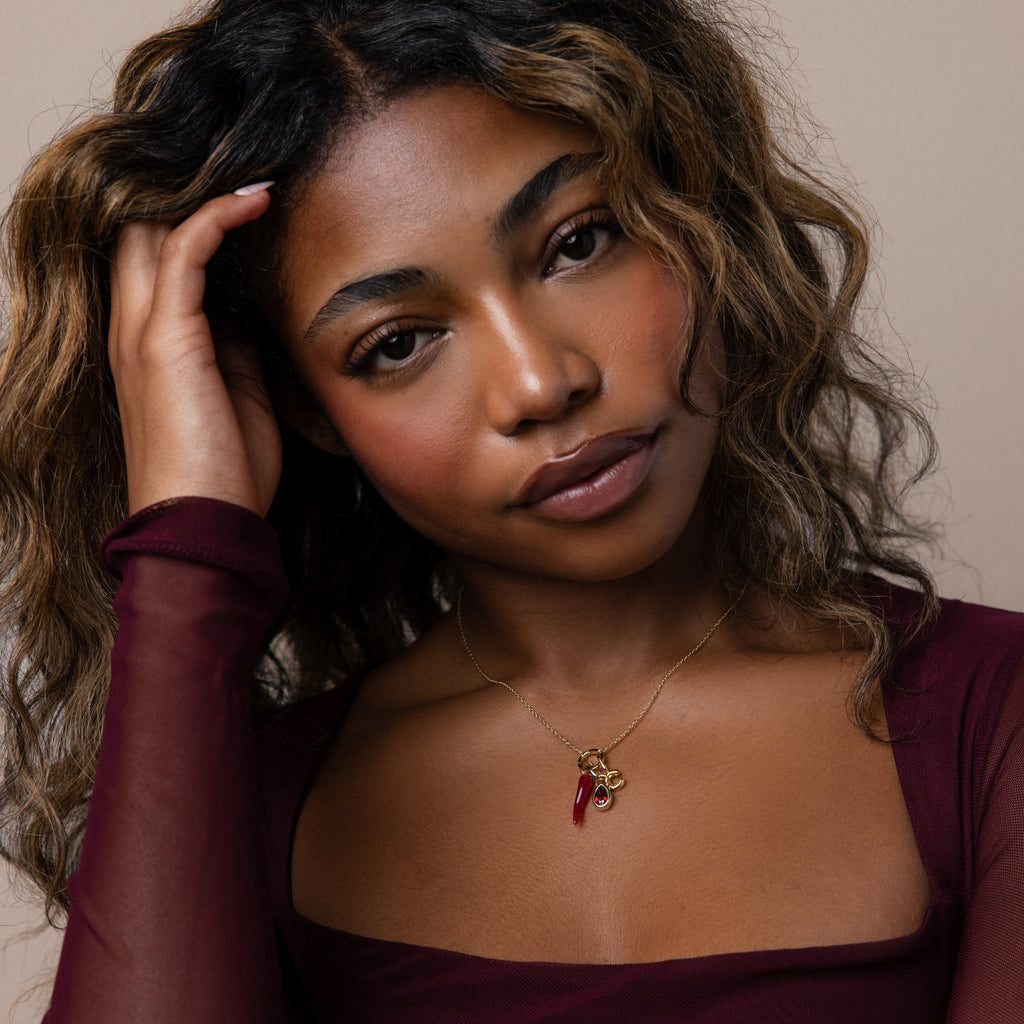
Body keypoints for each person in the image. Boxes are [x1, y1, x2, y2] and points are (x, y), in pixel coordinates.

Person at [0, 0, 1021, 1020]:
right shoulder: (263, 804)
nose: (540, 381)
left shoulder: (991, 721)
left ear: (696, 216)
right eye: (397, 342)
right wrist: (187, 548)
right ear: (307, 410)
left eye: (579, 241)